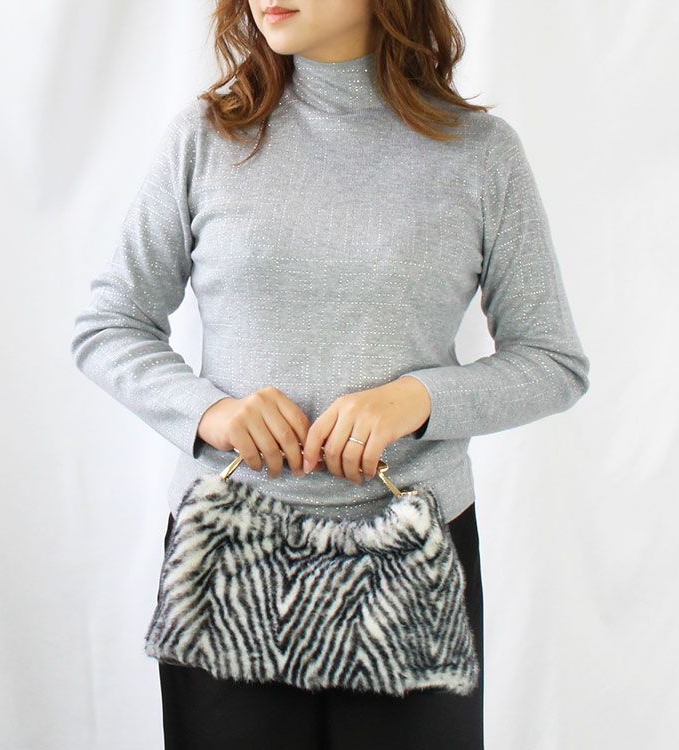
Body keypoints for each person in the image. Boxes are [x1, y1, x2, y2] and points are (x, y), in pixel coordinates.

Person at [70, 1, 590, 747]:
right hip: (231, 562)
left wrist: (419, 399)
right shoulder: (207, 138)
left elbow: (553, 361)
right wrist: (210, 412)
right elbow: (109, 324)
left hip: (410, 559)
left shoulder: (479, 154)